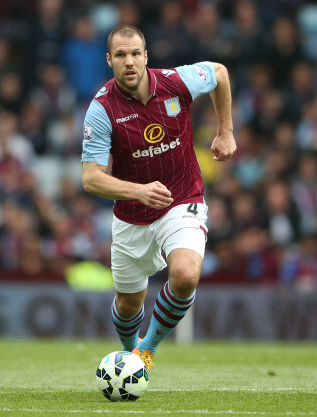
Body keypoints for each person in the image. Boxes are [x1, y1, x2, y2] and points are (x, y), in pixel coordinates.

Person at [81, 25, 236, 370]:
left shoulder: (176, 82)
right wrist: (139, 191)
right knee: (127, 304)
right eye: (121, 55)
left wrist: (225, 131)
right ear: (110, 61)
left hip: (182, 199)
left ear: (146, 56)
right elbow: (90, 179)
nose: (129, 61)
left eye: (135, 53)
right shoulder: (102, 109)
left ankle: (144, 353)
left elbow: (220, 74)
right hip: (132, 215)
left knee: (183, 276)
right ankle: (128, 351)